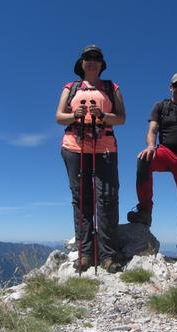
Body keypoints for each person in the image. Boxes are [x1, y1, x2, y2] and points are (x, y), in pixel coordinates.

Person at [55, 45, 126, 273]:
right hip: (74, 146)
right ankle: (86, 254)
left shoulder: (111, 87)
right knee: (82, 199)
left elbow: (121, 118)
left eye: (96, 58)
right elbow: (59, 117)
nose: (92, 61)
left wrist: (103, 116)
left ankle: (107, 255)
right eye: (88, 58)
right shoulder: (70, 87)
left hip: (103, 147)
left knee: (106, 198)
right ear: (82, 63)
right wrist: (72, 116)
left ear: (102, 64)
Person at [127, 72, 177, 259]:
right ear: (171, 87)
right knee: (144, 160)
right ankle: (145, 211)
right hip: (165, 152)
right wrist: (150, 146)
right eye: (176, 85)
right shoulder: (160, 106)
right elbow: (152, 129)